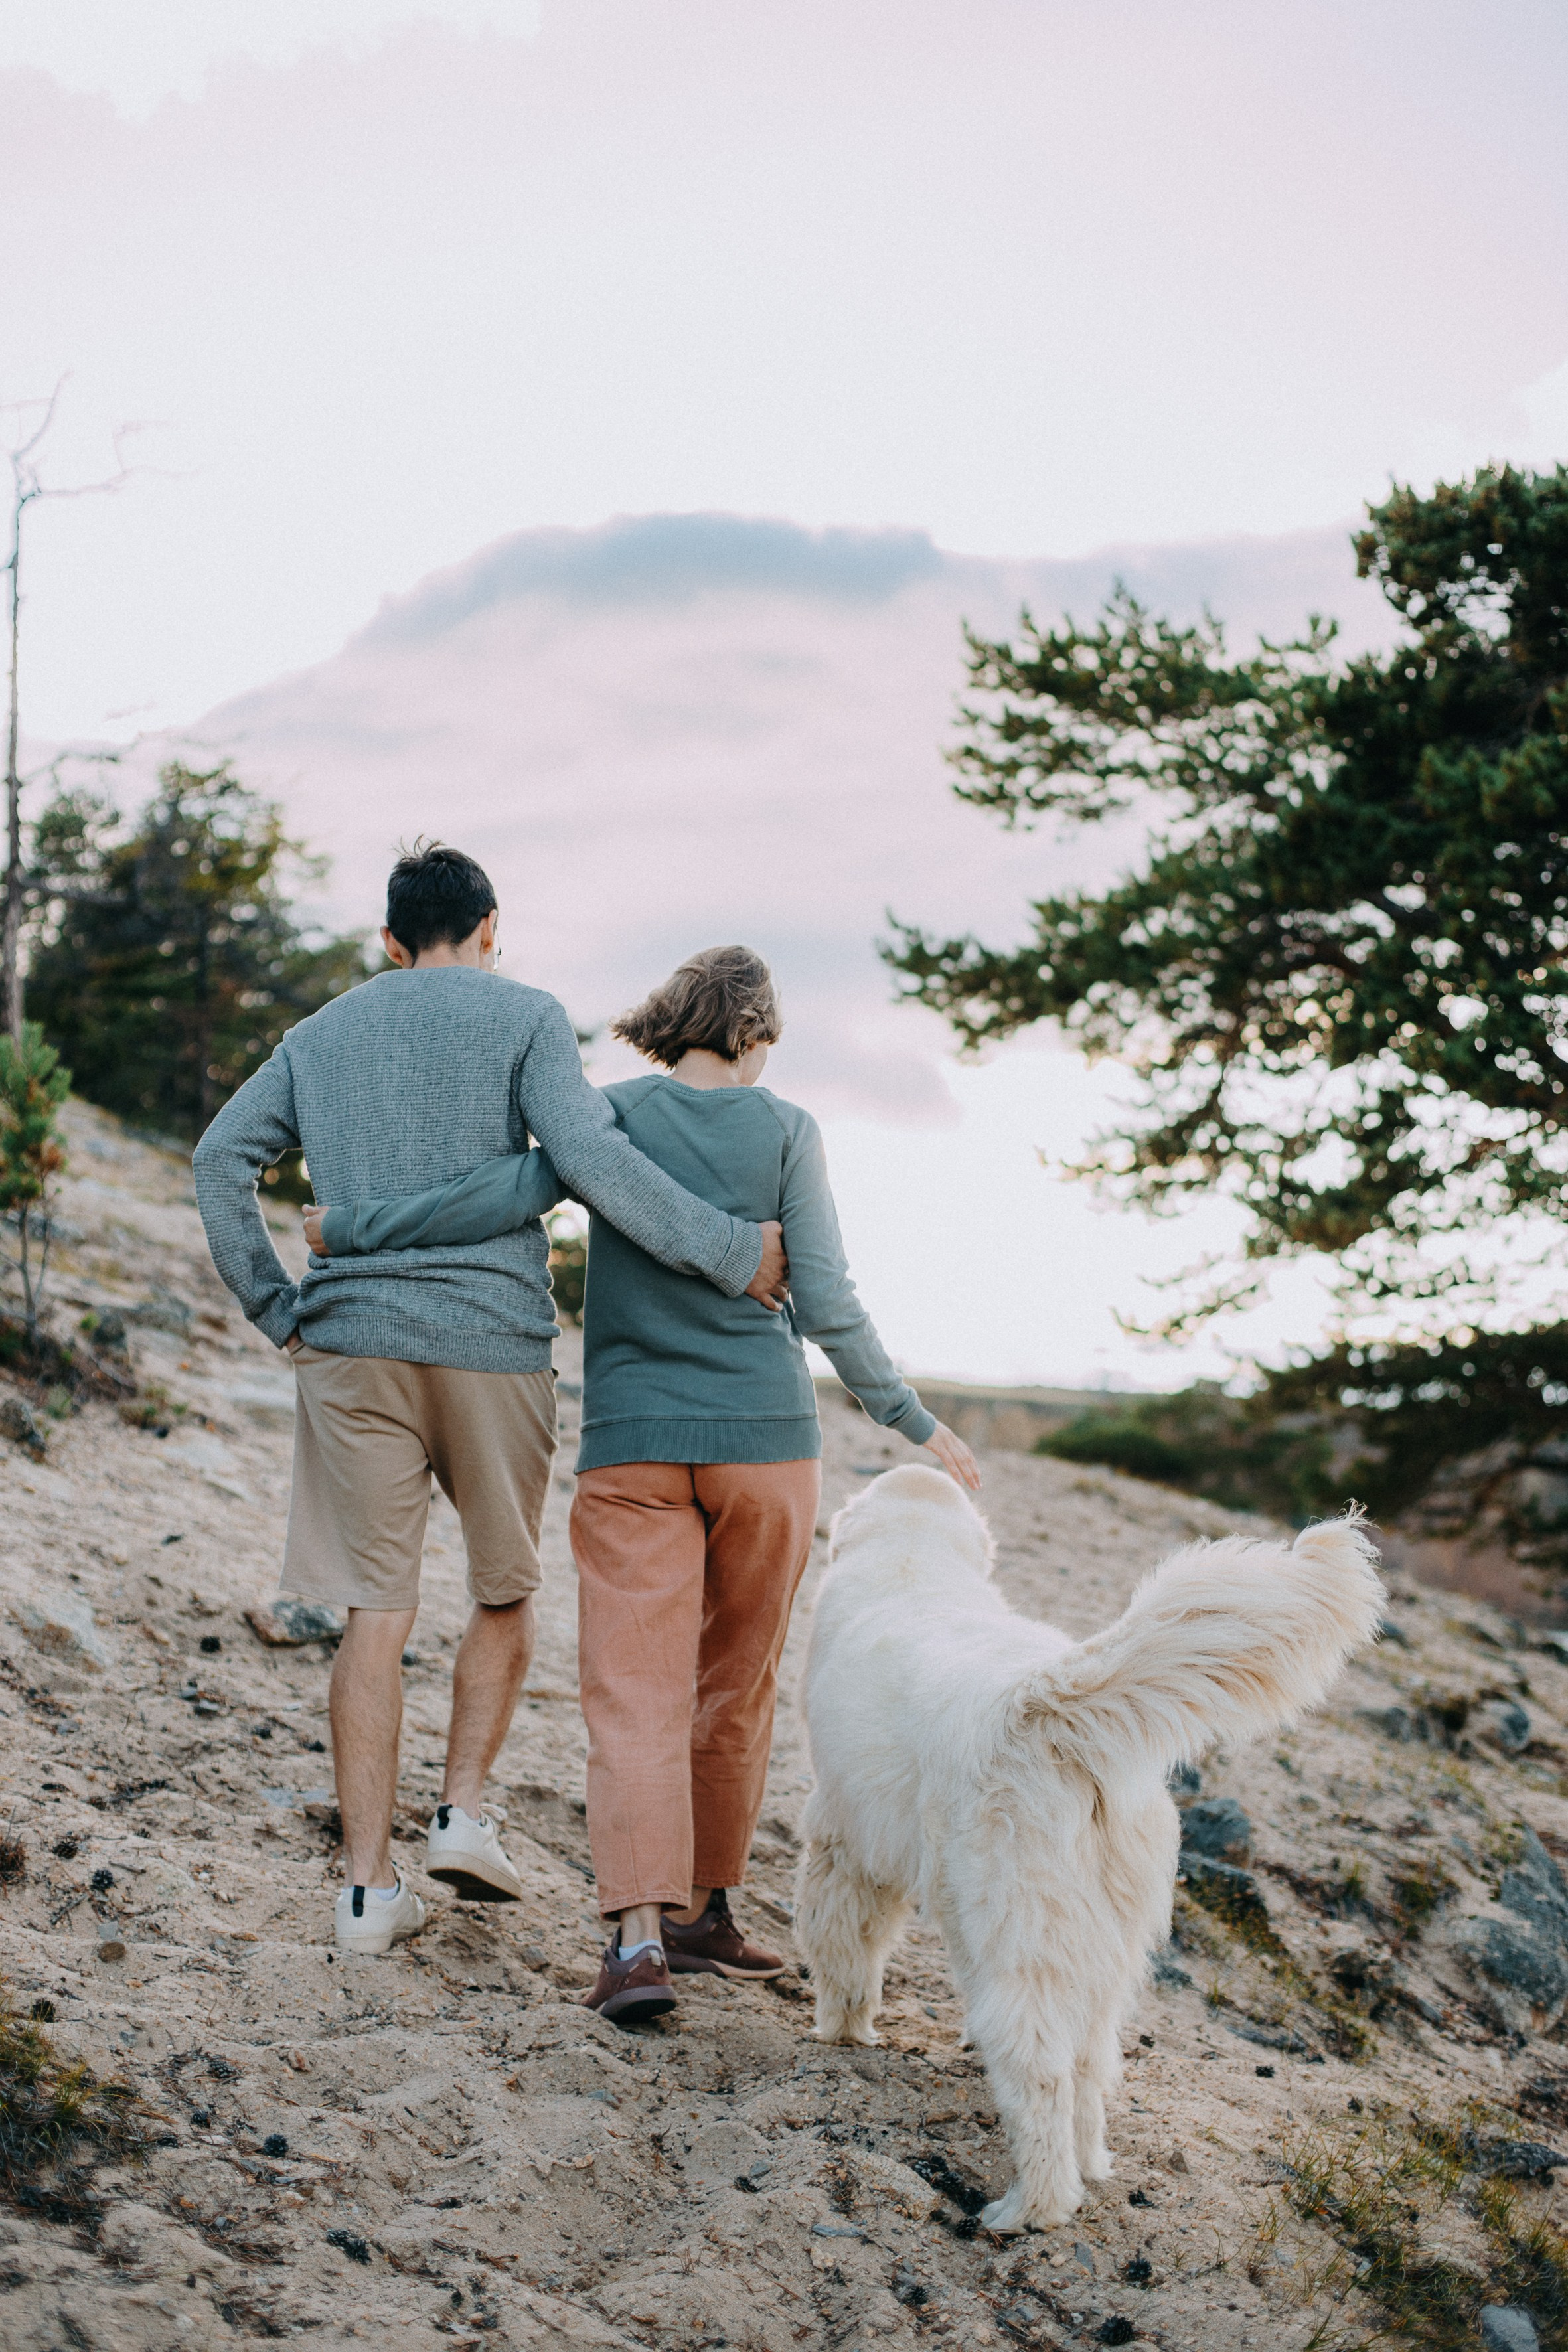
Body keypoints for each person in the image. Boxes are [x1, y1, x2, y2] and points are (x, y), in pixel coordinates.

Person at [305, 943, 979, 2021]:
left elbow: (486, 1199)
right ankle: (707, 1908)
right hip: (766, 1445)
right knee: (736, 1685)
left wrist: (351, 1229)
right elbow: (831, 1303)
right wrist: (912, 1419)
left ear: (673, 1020)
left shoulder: (605, 1116)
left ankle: (637, 1945)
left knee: (633, 1696)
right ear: (756, 1031)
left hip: (631, 1449)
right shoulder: (788, 1130)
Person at [192, 848, 788, 1957]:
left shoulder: (319, 1035)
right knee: (504, 1588)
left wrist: (278, 1307)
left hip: (351, 1344)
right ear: (489, 926)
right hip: (492, 1346)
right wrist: (728, 1252)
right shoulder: (525, 1017)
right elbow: (594, 1165)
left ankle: (367, 1894)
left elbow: (219, 1161)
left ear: (390, 940)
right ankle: (463, 1810)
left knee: (377, 1615)